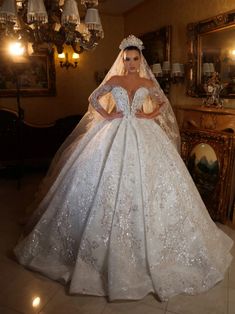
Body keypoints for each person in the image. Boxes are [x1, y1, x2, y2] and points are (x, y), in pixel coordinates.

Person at [14, 35, 233, 302]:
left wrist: (148, 115)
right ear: (122, 59)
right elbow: (94, 98)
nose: (130, 63)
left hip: (143, 133)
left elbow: (162, 103)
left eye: (135, 59)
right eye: (127, 59)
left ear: (141, 60)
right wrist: (108, 115)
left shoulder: (146, 82)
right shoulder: (115, 80)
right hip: (113, 131)